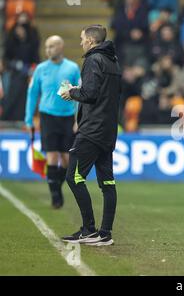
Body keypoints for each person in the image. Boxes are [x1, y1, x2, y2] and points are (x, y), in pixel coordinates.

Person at [60, 25, 121, 246]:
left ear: (91, 41)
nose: (81, 43)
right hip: (107, 130)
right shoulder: (113, 61)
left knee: (73, 177)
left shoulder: (94, 60)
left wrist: (72, 92)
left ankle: (89, 230)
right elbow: (106, 94)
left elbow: (91, 94)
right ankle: (105, 232)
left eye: (82, 39)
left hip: (92, 130)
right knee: (107, 182)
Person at [24, 35, 80, 209]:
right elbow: (32, 94)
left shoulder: (72, 68)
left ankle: (57, 186)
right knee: (52, 155)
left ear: (61, 47)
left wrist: (78, 119)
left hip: (67, 117)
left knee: (66, 159)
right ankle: (55, 195)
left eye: (52, 46)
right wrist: (28, 119)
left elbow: (80, 94)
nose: (49, 50)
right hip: (47, 115)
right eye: (47, 47)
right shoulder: (40, 69)